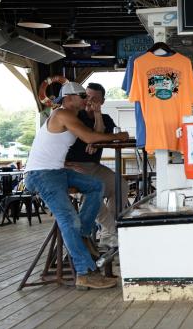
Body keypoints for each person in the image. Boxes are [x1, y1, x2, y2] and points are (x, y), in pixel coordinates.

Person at [24, 82, 129, 290]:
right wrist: (118, 136)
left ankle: (82, 236)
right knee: (68, 220)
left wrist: (64, 162)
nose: (85, 99)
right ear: (69, 97)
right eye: (82, 95)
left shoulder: (69, 115)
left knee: (96, 186)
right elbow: (89, 137)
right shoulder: (63, 113)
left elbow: (55, 145)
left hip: (56, 170)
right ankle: (84, 273)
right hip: (41, 175)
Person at [64, 83, 126, 249]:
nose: (89, 101)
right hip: (74, 166)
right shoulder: (76, 116)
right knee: (94, 190)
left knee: (121, 185)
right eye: (86, 96)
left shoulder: (105, 119)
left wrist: (97, 115)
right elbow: (93, 137)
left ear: (102, 101)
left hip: (94, 166)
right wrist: (94, 139)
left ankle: (108, 233)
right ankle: (111, 231)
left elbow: (99, 135)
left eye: (94, 99)